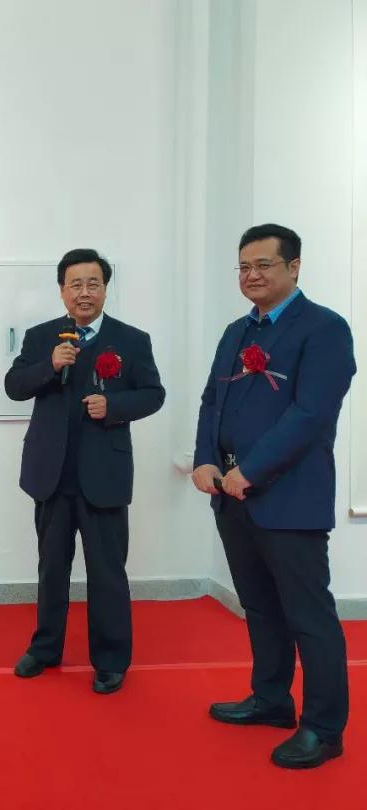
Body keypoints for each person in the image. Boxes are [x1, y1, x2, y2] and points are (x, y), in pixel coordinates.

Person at [192, 223, 356, 768]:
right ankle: (271, 699)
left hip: (289, 498)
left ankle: (324, 729)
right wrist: (206, 459)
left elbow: (311, 415)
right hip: (231, 495)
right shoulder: (236, 332)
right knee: (259, 606)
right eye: (244, 266)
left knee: (309, 616)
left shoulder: (325, 329)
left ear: (294, 267)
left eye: (263, 264)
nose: (252, 275)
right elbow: (211, 401)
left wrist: (253, 470)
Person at [5, 248, 165, 694]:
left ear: (105, 289)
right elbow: (14, 386)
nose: (84, 292)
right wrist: (50, 365)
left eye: (93, 283)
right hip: (51, 476)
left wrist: (114, 405)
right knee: (51, 568)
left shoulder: (131, 340)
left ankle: (111, 660)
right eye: (75, 284)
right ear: (62, 291)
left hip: (104, 476)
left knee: (107, 572)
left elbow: (153, 394)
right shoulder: (41, 337)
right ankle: (45, 648)